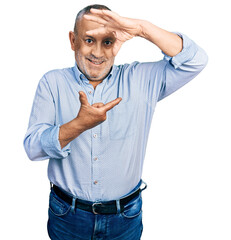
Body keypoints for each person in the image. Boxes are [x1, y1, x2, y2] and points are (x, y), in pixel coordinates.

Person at [23, 4, 208, 240]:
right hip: (68, 216)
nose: (98, 53)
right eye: (89, 40)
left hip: (126, 217)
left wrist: (142, 29)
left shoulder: (142, 79)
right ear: (73, 40)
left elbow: (196, 60)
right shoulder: (52, 82)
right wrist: (79, 124)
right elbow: (32, 148)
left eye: (107, 42)